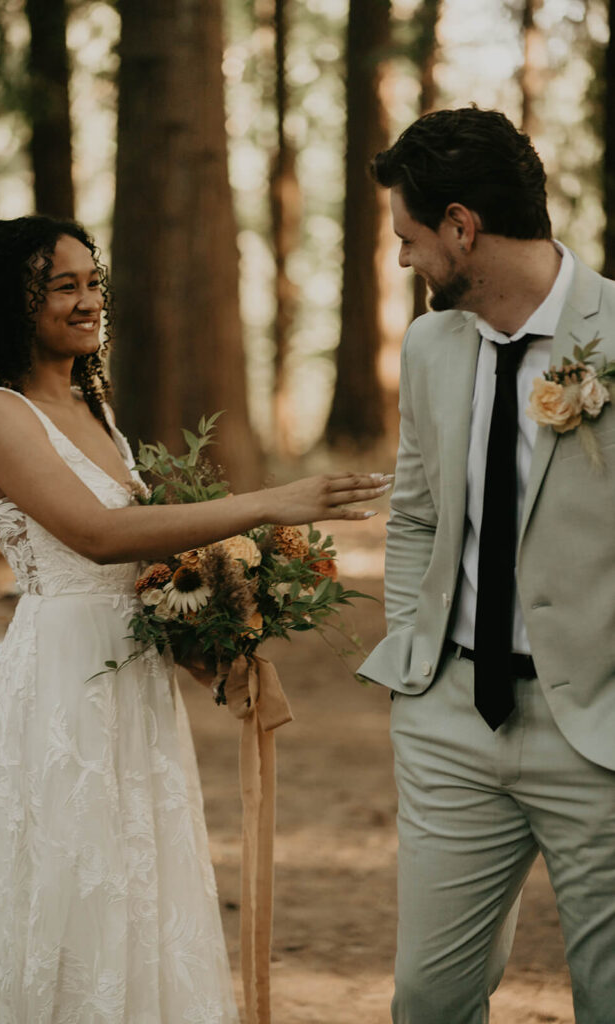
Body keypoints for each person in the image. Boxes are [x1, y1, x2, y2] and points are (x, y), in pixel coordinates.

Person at [0, 215, 390, 1023]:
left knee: (137, 878)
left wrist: (214, 643)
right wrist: (272, 501)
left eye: (92, 281)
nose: (87, 301)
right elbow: (98, 537)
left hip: (133, 676)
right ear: (14, 300)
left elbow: (144, 572)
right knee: (70, 877)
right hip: (64, 680)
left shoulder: (95, 409)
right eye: (62, 286)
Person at [359, 107, 615, 1024]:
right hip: (450, 726)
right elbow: (418, 515)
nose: (401, 259)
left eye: (409, 237)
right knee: (427, 1001)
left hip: (600, 731)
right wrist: (410, 671)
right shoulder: (431, 345)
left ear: (462, 226)